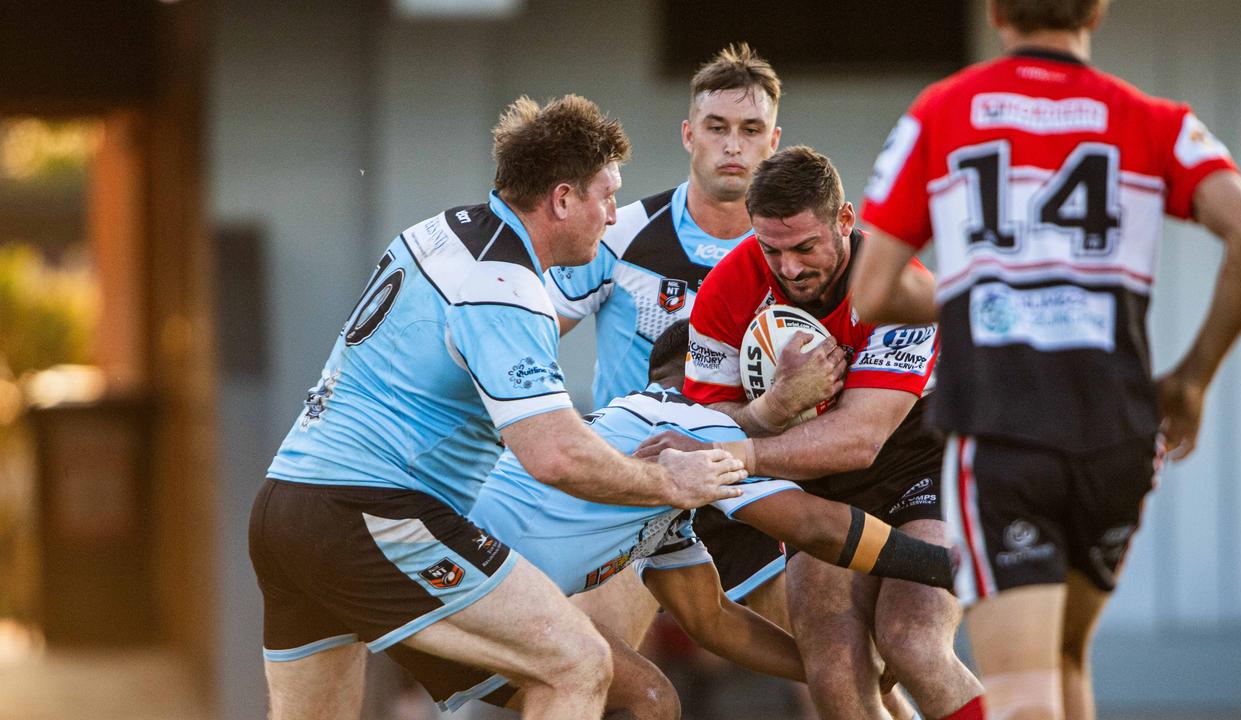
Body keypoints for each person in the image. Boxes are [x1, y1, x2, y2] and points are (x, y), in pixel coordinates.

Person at [247, 94, 751, 720]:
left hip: (287, 507)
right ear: (562, 200)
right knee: (580, 664)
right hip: (371, 515)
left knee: (639, 696)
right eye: (605, 195)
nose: (613, 214)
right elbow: (555, 455)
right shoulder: (505, 284)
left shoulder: (441, 231)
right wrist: (669, 481)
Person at [851, 2, 1241, 719]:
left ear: (994, 11)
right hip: (1118, 433)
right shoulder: (1153, 118)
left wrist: (980, 288)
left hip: (1003, 433)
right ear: (1097, 9)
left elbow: (872, 290)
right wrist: (1195, 376)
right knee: (1067, 660)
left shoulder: (944, 110)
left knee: (1023, 696)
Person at [389, 319, 955, 718]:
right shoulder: (691, 424)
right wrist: (952, 569)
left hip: (459, 597)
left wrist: (832, 667)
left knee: (622, 693)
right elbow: (815, 527)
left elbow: (712, 619)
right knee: (638, 696)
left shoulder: (664, 477)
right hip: (464, 591)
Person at [644, 146, 986, 719]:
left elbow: (861, 439)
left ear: (845, 221)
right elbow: (704, 420)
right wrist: (775, 405)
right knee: (831, 664)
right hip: (816, 480)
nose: (791, 267)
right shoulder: (729, 288)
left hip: (921, 463)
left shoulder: (897, 285)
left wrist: (732, 453)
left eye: (806, 247)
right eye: (771, 249)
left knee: (913, 641)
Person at [546, 41, 791, 651]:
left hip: (748, 477)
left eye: (749, 129)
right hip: (638, 481)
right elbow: (527, 333)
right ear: (689, 134)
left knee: (833, 666)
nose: (732, 145)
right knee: (602, 673)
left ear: (774, 141)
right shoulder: (622, 233)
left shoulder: (798, 255)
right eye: (717, 127)